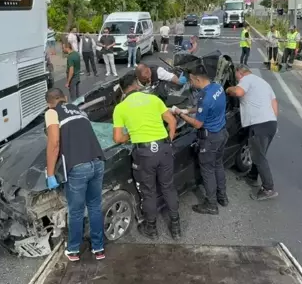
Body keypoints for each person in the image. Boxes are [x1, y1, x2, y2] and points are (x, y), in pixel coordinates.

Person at [112, 72, 181, 240]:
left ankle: (152, 229)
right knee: (168, 187)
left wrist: (132, 134)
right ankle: (176, 229)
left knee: (148, 192)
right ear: (137, 84)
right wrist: (168, 141)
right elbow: (172, 121)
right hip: (163, 149)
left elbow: (118, 138)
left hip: (144, 154)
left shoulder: (120, 108)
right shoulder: (153, 99)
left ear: (122, 89)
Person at [44, 88, 105, 262]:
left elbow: (54, 142)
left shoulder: (51, 113)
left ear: (49, 103)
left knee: (76, 211)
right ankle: (99, 248)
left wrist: (50, 173)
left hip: (78, 167)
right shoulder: (79, 110)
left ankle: (73, 250)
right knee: (94, 206)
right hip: (98, 161)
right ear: (64, 98)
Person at [172, 65, 228, 214]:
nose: (190, 83)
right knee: (218, 165)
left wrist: (180, 114)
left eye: (191, 80)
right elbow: (206, 108)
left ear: (197, 78)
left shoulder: (204, 96)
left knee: (208, 171)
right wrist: (189, 110)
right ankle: (222, 197)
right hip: (222, 133)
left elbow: (197, 124)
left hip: (209, 139)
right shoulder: (217, 87)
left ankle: (211, 204)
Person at [225, 65, 279, 201]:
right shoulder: (263, 83)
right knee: (259, 153)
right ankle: (252, 176)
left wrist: (228, 89)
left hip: (259, 124)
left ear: (240, 72)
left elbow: (238, 93)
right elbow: (274, 103)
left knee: (259, 157)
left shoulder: (246, 79)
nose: (236, 79)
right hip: (270, 123)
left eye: (236, 75)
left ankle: (268, 188)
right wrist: (273, 120)